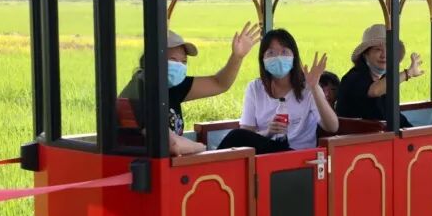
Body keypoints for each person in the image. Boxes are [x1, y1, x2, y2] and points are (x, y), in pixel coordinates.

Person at [119, 24, 260, 156]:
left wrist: (237, 57)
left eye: (184, 62)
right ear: (153, 59)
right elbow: (172, 144)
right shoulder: (141, 91)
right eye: (173, 59)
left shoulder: (169, 85)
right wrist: (202, 148)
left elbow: (219, 83)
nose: (179, 66)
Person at [217, 29, 339, 154]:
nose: (278, 58)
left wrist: (314, 88)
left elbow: (332, 127)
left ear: (294, 57)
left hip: (298, 155)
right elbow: (245, 134)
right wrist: (268, 132)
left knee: (235, 136)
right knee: (237, 136)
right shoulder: (255, 88)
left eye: (284, 52)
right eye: (271, 53)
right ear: (263, 60)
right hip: (266, 153)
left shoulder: (308, 88)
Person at [335, 24, 423, 127]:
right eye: (378, 49)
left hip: (381, 134)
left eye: (388, 49)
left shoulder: (385, 78)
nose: (384, 55)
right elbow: (375, 91)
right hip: (356, 135)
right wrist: (408, 73)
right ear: (365, 54)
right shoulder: (353, 77)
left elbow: (395, 117)